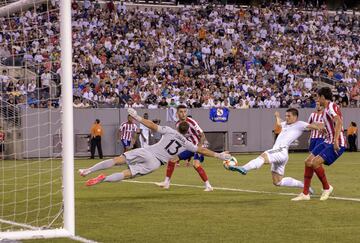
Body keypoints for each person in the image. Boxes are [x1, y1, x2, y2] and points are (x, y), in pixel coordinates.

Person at [78, 108, 231, 187]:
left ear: (178, 127)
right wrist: (219, 155)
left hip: (148, 151)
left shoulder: (170, 130)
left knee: (117, 160)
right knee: (127, 174)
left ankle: (88, 171)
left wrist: (137, 117)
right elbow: (202, 150)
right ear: (187, 132)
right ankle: (103, 179)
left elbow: (151, 125)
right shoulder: (187, 143)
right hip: (155, 163)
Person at [228, 109, 323, 193]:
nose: (286, 117)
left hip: (281, 150)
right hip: (281, 153)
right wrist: (277, 117)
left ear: (295, 117)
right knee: (277, 182)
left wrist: (321, 128)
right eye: (286, 115)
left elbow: (313, 126)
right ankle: (304, 185)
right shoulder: (284, 124)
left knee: (264, 155)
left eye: (289, 116)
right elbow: (278, 126)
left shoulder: (300, 124)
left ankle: (244, 168)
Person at [292, 87, 346, 201]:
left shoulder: (331, 106)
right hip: (327, 141)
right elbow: (330, 124)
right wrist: (324, 129)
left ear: (322, 97)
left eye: (318, 97)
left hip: (337, 142)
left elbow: (339, 122)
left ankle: (327, 188)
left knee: (315, 163)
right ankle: (305, 194)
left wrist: (336, 140)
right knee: (308, 162)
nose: (317, 99)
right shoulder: (326, 109)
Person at [155, 105, 213, 191]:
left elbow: (202, 135)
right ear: (177, 113)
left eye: (185, 112)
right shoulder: (178, 124)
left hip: (197, 146)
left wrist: (199, 148)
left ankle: (208, 186)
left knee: (196, 165)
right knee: (172, 160)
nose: (183, 114)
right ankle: (166, 182)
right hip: (189, 147)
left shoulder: (192, 122)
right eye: (181, 112)